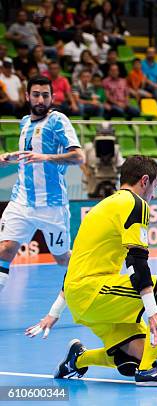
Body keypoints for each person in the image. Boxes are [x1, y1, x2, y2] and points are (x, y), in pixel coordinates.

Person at [53, 156, 157, 386]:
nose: (153, 195)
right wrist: (152, 310)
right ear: (144, 181)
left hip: (81, 297)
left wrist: (56, 310)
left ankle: (78, 359)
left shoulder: (102, 207)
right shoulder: (135, 203)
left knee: (130, 358)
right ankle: (148, 372)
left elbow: (75, 262)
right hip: (94, 292)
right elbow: (136, 261)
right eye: (155, 186)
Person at [0, 75, 83, 332]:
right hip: (21, 201)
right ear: (27, 96)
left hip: (52, 206)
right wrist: (9, 158)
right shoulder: (24, 122)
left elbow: (78, 157)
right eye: (36, 94)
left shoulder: (58, 120)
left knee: (61, 260)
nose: (40, 100)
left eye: (45, 95)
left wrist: (45, 156)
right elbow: (28, 158)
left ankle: (94, 268)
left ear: (52, 97)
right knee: (4, 250)